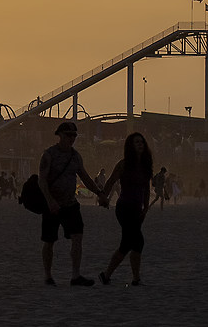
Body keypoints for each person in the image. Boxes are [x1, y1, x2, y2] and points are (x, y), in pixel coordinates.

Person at [37, 121, 95, 287]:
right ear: (60, 135)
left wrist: (100, 193)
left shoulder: (76, 156)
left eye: (74, 135)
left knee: (77, 237)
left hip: (70, 204)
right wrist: (50, 201)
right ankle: (48, 276)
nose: (72, 138)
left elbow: (85, 178)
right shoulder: (49, 155)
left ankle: (75, 275)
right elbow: (42, 181)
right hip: (52, 205)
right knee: (49, 241)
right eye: (69, 135)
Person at [95, 131, 155, 285]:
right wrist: (103, 196)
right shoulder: (123, 164)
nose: (140, 144)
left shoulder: (146, 165)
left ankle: (111, 276)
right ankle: (129, 278)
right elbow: (110, 181)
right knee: (135, 241)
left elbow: (146, 189)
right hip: (124, 208)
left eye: (142, 142)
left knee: (131, 243)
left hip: (137, 209)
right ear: (130, 146)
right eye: (136, 142)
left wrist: (146, 207)